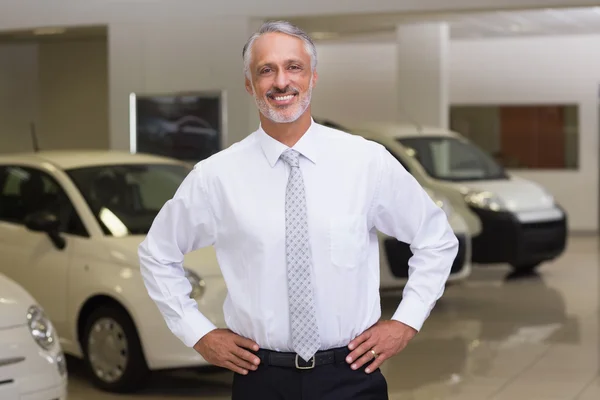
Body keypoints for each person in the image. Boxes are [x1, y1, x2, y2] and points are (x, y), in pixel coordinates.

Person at [138, 20, 458, 400]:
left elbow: (435, 239)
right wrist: (198, 333)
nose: (281, 82)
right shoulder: (216, 176)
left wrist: (406, 322)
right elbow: (157, 254)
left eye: (294, 67)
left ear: (313, 77)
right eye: (265, 70)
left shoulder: (365, 161)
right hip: (261, 379)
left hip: (352, 377)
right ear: (249, 84)